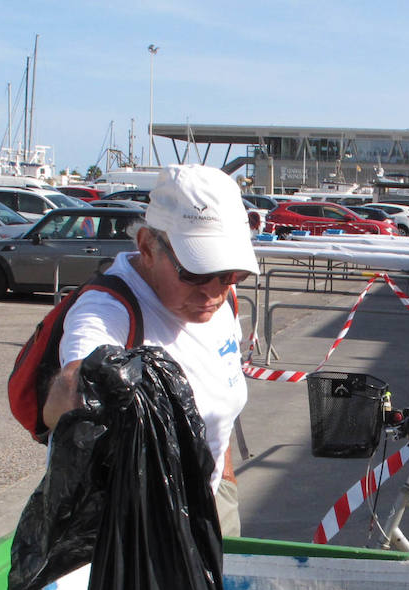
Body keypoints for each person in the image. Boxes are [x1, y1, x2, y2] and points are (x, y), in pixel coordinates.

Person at [42, 163, 257, 535]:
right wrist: (77, 384)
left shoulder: (224, 301)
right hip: (132, 527)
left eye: (229, 273)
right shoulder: (106, 310)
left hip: (210, 503)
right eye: (195, 271)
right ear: (147, 246)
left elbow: (218, 397)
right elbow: (63, 402)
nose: (213, 291)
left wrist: (224, 481)